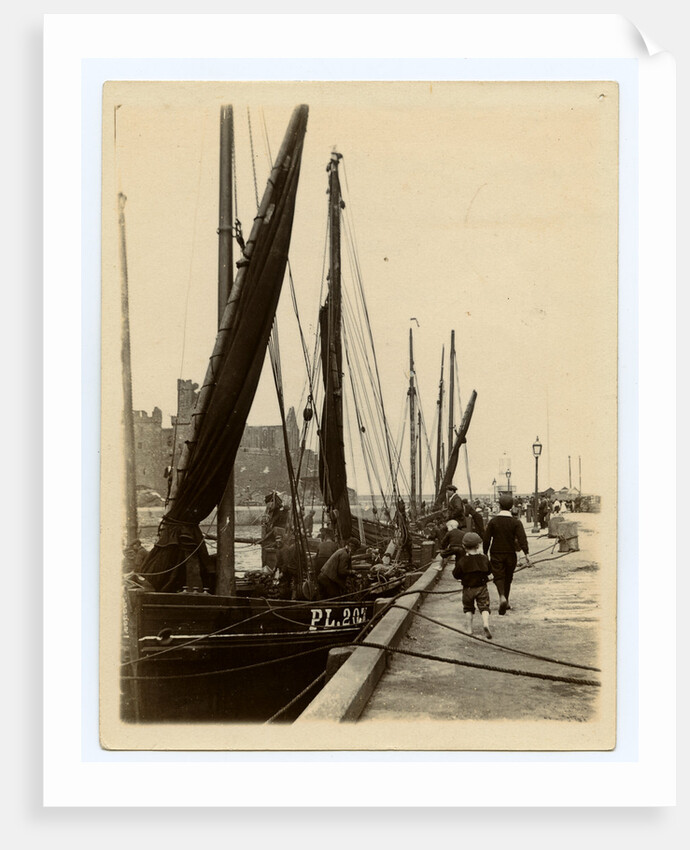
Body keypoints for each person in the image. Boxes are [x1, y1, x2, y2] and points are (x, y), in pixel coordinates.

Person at [483, 493, 531, 615]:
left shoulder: (493, 521)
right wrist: (526, 554)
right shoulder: (516, 522)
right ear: (511, 507)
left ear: (499, 506)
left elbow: (487, 539)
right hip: (510, 553)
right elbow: (522, 539)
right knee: (508, 577)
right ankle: (507, 600)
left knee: (498, 576)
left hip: (496, 552)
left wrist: (484, 553)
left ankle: (502, 597)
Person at [452, 531, 493, 639]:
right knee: (484, 607)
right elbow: (489, 571)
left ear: (464, 546)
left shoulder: (462, 561)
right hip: (482, 587)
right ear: (478, 545)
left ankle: (469, 629)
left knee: (468, 608)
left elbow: (456, 574)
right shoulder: (484, 558)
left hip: (468, 589)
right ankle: (485, 623)